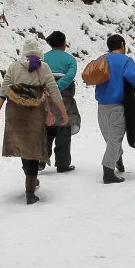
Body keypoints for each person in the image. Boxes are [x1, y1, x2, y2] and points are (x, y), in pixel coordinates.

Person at [0, 39, 69, 204]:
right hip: (35, 112)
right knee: (33, 149)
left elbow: (4, 89)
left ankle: (31, 179)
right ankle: (30, 191)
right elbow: (53, 90)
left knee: (23, 146)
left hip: (15, 111)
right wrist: (63, 111)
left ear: (24, 52)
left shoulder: (14, 66)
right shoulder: (43, 67)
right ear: (39, 53)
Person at [93, 34, 135, 184]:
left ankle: (118, 160)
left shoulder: (101, 59)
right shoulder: (126, 60)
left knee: (110, 137)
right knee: (115, 138)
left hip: (101, 105)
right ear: (122, 44)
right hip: (117, 105)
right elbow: (130, 75)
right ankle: (108, 173)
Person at [43, 30, 80, 173]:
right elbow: (70, 76)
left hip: (45, 97)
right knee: (64, 128)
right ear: (64, 44)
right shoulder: (70, 59)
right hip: (65, 98)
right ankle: (62, 164)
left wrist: (49, 88)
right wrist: (57, 87)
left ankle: (40, 160)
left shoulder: (43, 58)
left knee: (45, 129)